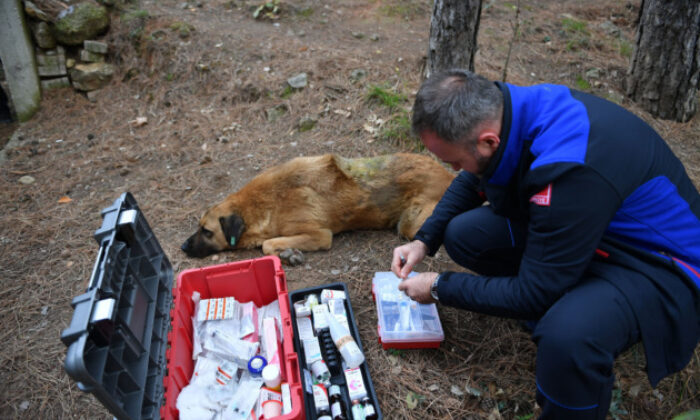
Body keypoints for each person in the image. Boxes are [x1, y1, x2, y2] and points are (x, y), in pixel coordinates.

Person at [392, 69, 700, 419]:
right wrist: (424, 240)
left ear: (488, 141)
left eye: (452, 161)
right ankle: (574, 297)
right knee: (465, 234)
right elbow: (472, 176)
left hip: (657, 264)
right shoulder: (512, 109)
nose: (453, 168)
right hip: (591, 230)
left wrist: (438, 286)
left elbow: (533, 293)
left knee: (566, 336)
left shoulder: (568, 170)